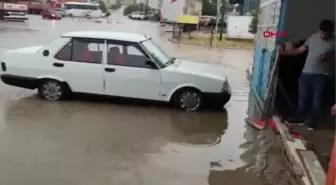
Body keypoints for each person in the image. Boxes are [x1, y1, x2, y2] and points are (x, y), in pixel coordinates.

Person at [278, 19, 336, 129]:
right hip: (306, 73)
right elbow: (299, 50)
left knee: (317, 100)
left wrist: (328, 58)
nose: (322, 35)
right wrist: (284, 53)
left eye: (325, 34)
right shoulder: (313, 37)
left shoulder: (334, 42)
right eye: (321, 33)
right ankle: (299, 118)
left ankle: (312, 122)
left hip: (322, 75)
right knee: (303, 98)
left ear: (331, 32)